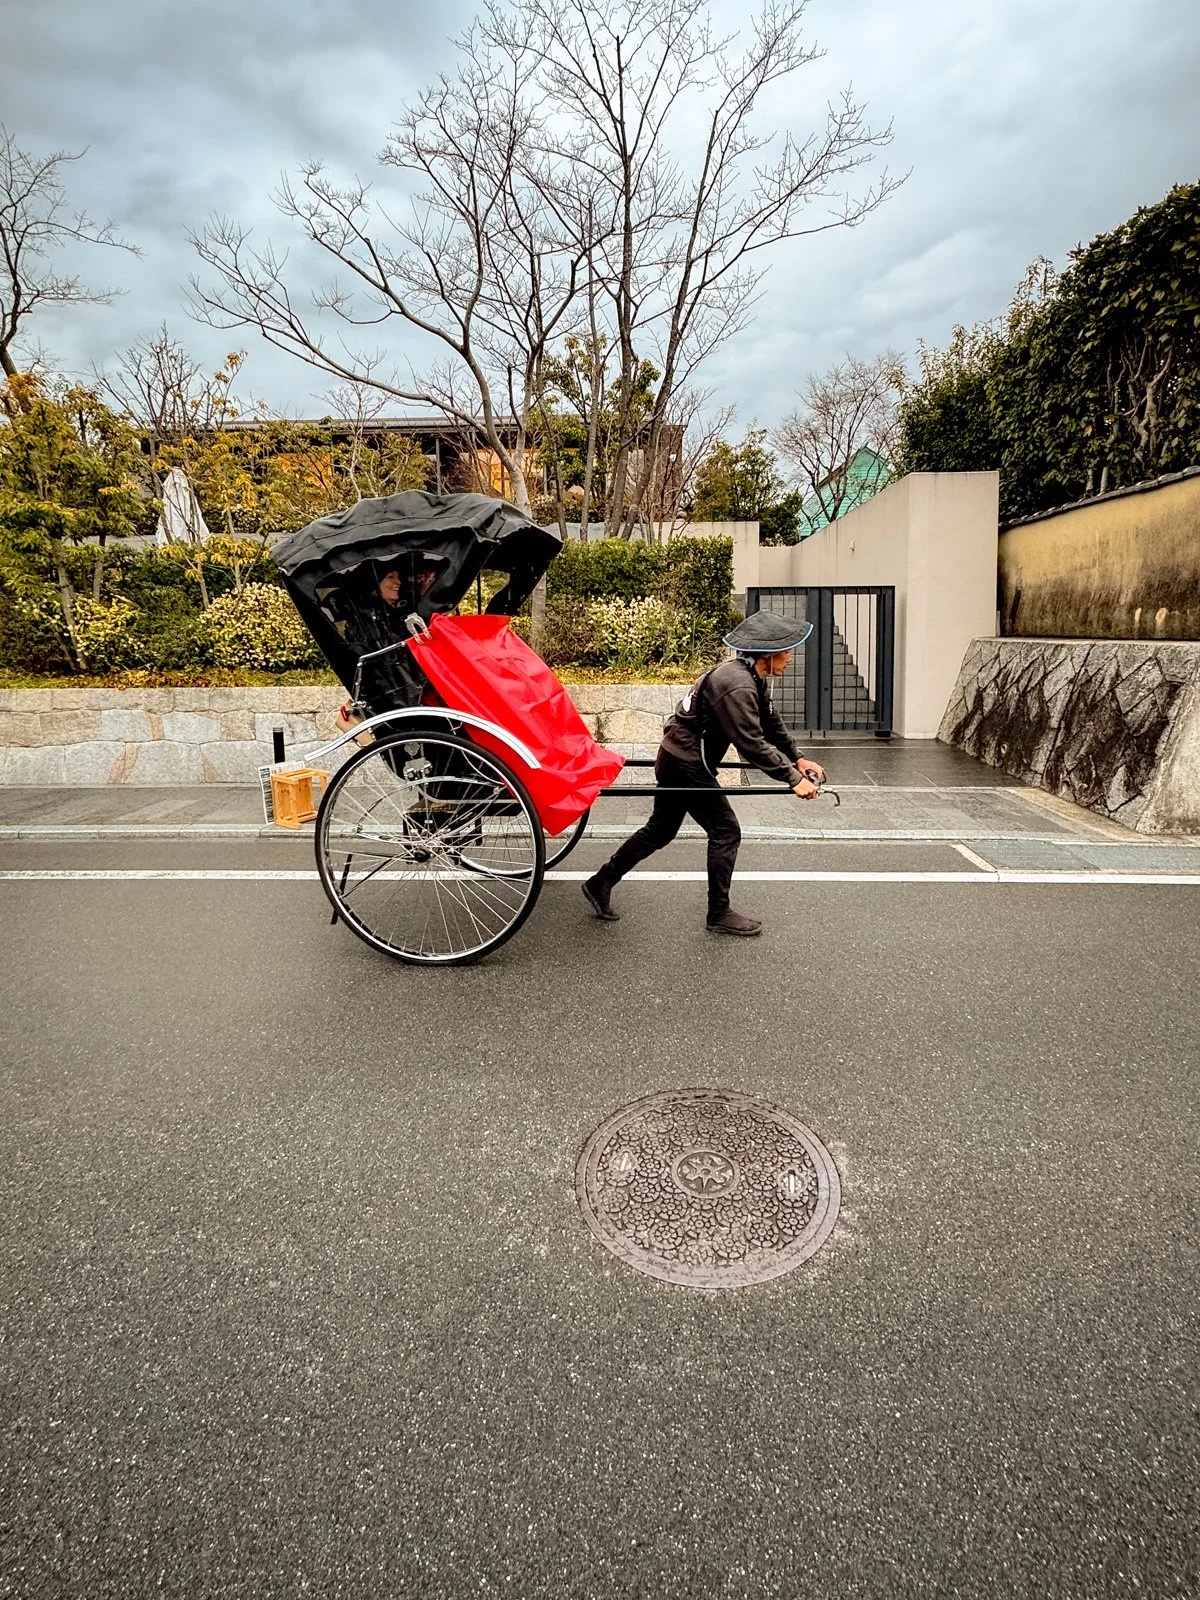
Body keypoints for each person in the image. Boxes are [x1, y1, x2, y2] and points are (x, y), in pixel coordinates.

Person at [582, 609, 826, 937]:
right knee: (726, 831)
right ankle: (719, 913)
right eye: (788, 650)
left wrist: (798, 759)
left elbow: (770, 723)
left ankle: (600, 882)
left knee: (660, 830)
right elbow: (751, 743)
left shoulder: (749, 676)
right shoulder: (736, 685)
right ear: (767, 655)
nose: (791, 658)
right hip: (686, 762)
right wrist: (793, 780)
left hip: (678, 756)